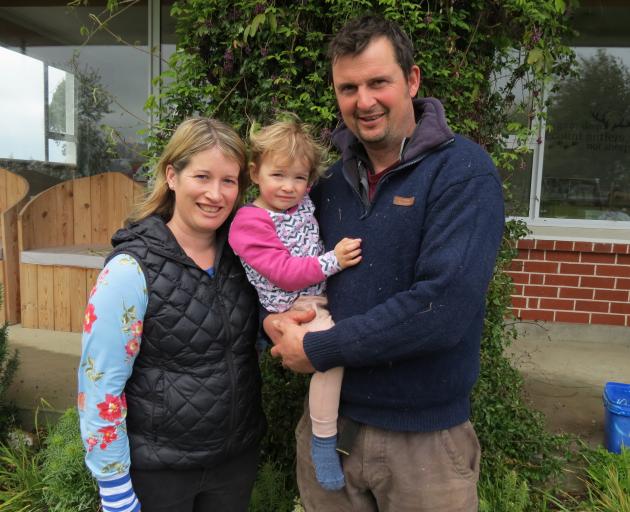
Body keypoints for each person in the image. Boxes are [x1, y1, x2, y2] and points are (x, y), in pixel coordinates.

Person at [264, 15, 505, 512]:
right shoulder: (324, 179)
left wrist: (323, 347)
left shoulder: (463, 172)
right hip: (328, 425)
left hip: (424, 443)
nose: (364, 101)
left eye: (378, 82)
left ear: (412, 80)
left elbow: (442, 308)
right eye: (348, 87)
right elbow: (274, 257)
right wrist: (272, 320)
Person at [78, 118, 266, 512]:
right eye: (202, 176)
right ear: (172, 176)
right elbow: (100, 385)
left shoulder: (246, 258)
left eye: (229, 181)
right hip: (158, 473)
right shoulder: (131, 270)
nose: (216, 194)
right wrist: (113, 486)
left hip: (233, 464)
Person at [228, 119, 362, 491]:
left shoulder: (301, 204)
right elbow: (284, 273)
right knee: (330, 356)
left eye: (300, 178)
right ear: (254, 173)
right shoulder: (248, 222)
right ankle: (323, 440)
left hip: (318, 297)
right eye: (278, 175)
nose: (289, 187)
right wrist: (333, 260)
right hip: (295, 308)